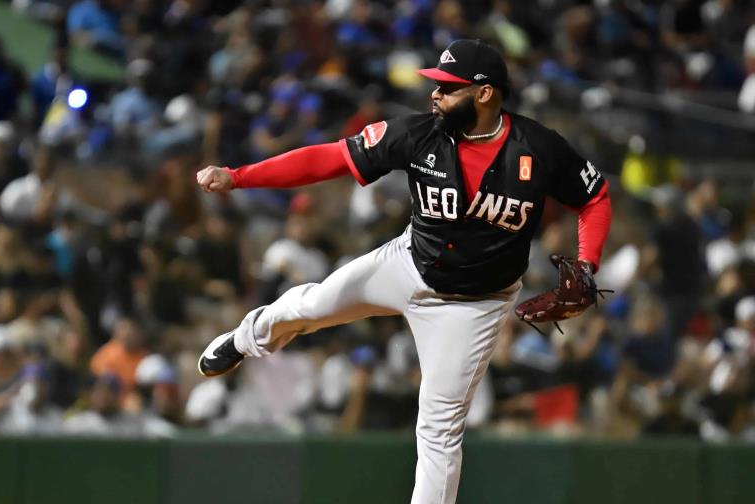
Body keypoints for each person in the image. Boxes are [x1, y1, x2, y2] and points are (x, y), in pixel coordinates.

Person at [195, 39, 611, 503]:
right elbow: (330, 158)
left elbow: (594, 197)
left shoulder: (539, 148)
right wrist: (240, 174)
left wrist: (588, 262)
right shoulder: (417, 133)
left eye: (448, 88)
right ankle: (244, 338)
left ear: (485, 93)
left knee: (437, 430)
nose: (435, 94)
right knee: (313, 304)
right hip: (407, 262)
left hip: (473, 307)